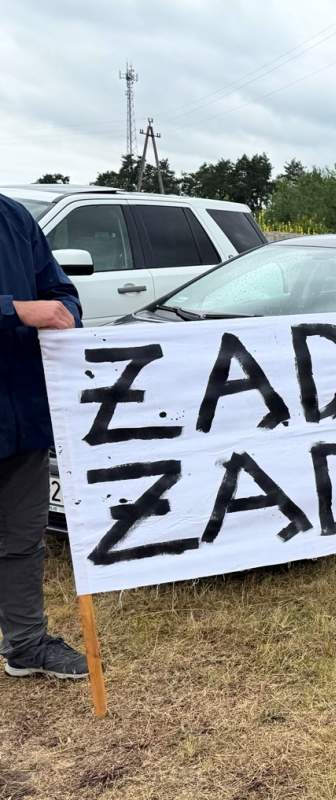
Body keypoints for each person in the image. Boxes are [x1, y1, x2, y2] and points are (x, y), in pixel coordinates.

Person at [0, 192, 85, 679]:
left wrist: (65, 308)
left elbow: (57, 288)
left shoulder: (13, 217)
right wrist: (15, 310)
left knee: (23, 539)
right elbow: (26, 307)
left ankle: (26, 644)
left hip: (23, 415)